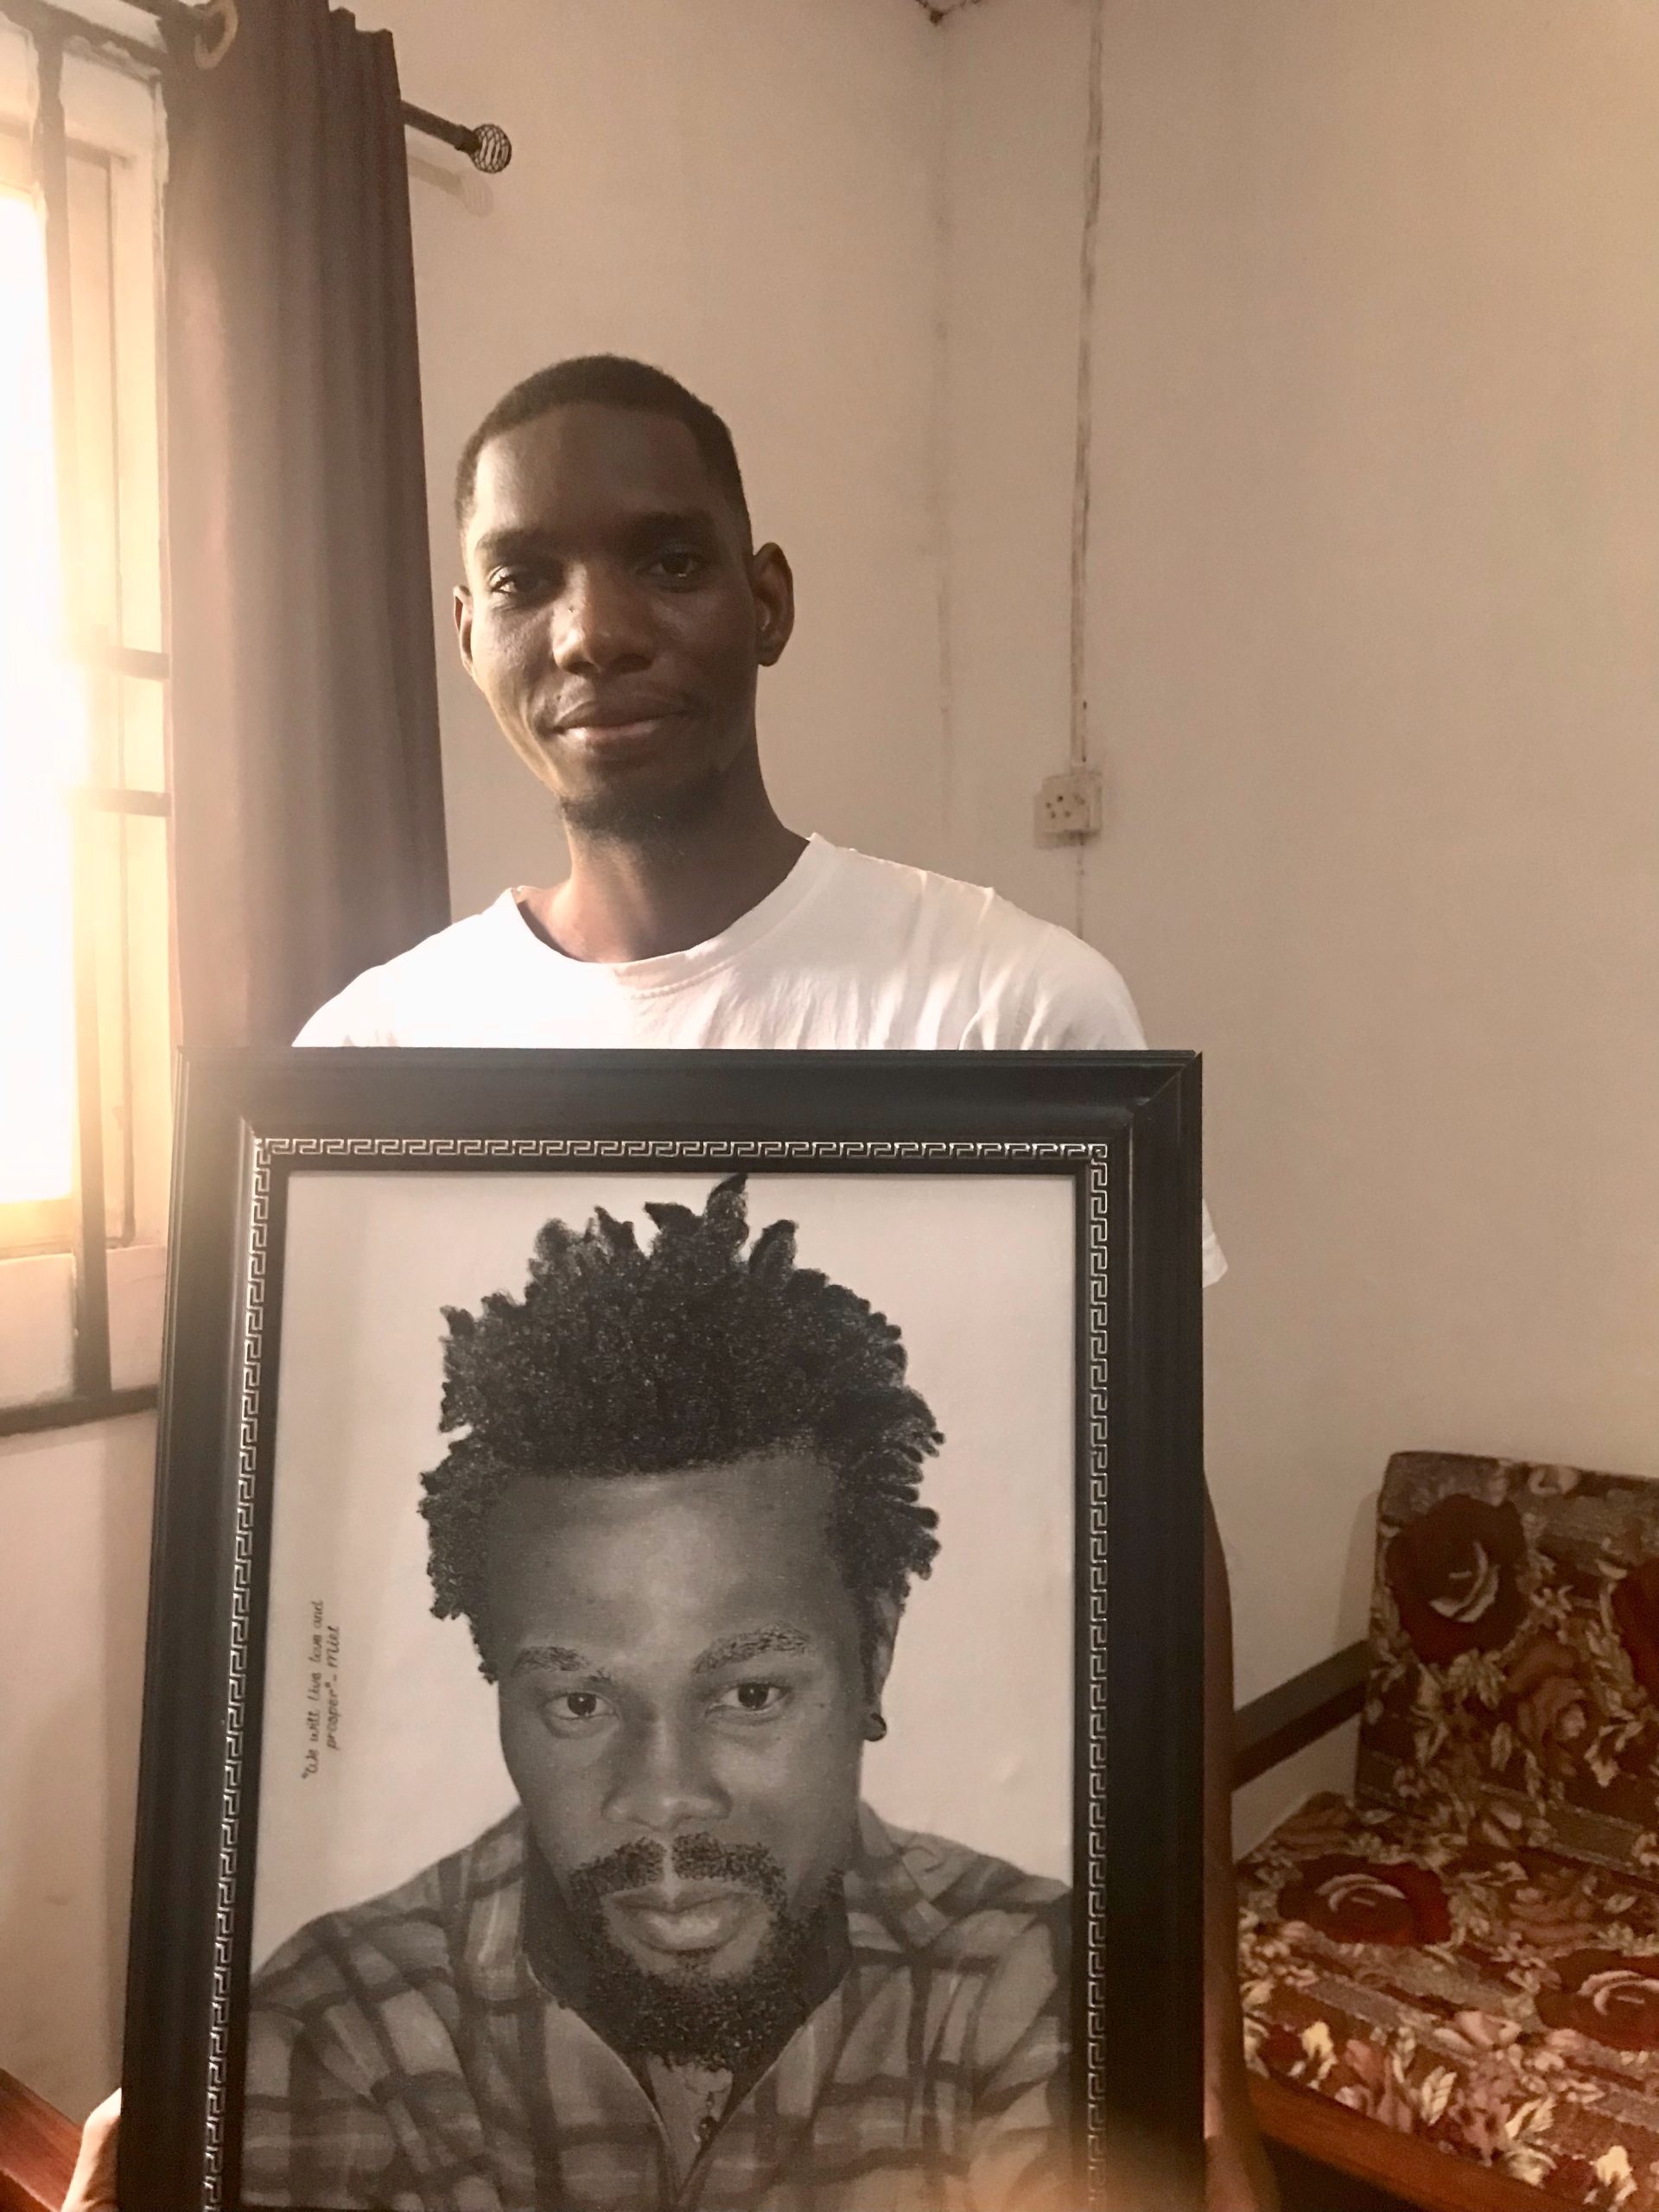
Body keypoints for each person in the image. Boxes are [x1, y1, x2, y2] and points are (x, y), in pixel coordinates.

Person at [64, 353, 1274, 2211]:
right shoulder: (360, 1070)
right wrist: (193, 2060)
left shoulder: (1012, 1014)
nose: (598, 629)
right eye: (528, 577)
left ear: (769, 596)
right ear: (461, 627)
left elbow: (1149, 1540)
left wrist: (1202, 2054)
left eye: (668, 563)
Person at [242, 1178, 1071, 2212]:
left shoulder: (1032, 1981)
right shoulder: (340, 2029)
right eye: (580, 1703)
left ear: (877, 1658)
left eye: (753, 1692)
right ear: (500, 1686)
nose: (666, 1797)